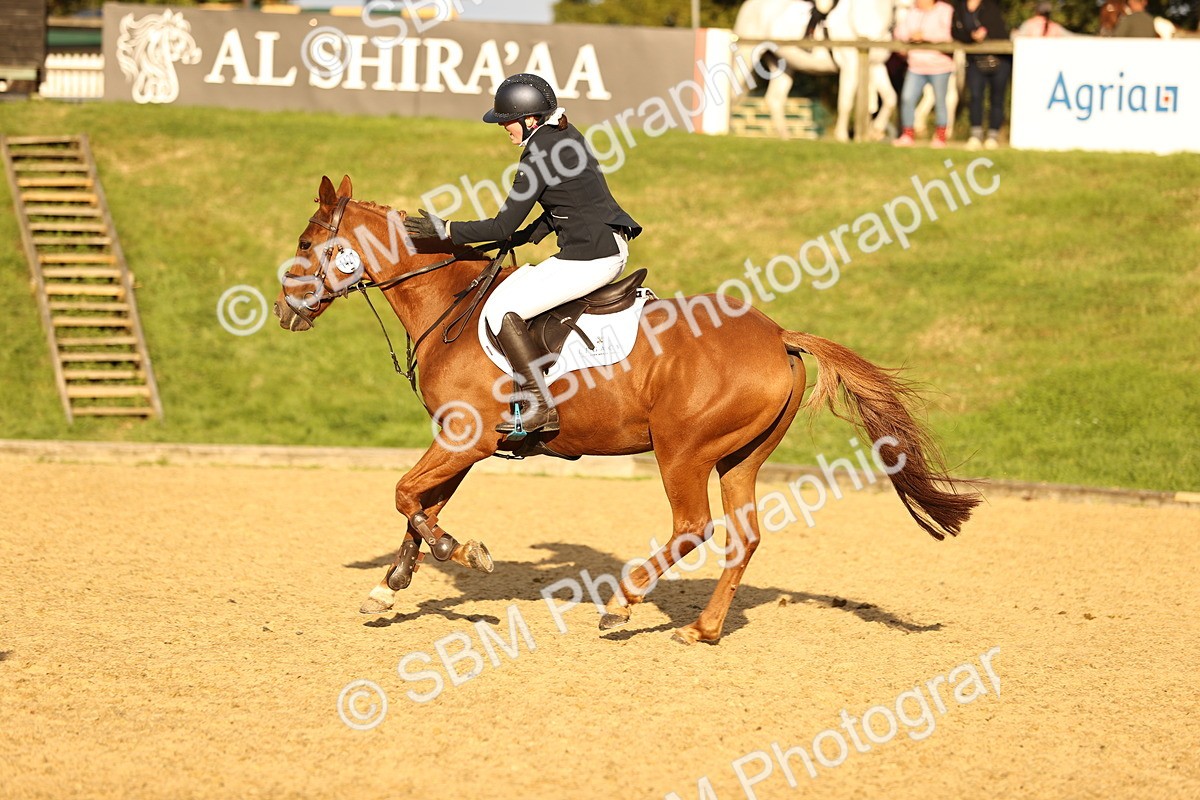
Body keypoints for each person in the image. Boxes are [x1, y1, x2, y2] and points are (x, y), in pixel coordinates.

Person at [404, 73, 641, 436]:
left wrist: (447, 230)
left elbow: (499, 226)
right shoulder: (564, 134)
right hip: (603, 246)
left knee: (500, 310)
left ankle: (539, 405)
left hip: (591, 257)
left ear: (530, 120)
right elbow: (573, 199)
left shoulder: (539, 154)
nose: (505, 129)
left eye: (507, 122)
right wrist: (524, 238)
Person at [893, 0, 956, 148]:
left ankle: (940, 137)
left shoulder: (945, 10)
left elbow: (949, 34)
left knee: (940, 102)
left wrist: (925, 36)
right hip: (916, 66)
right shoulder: (913, 11)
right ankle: (907, 135)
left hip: (940, 66)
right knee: (907, 98)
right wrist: (909, 35)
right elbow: (899, 32)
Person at [952, 0, 1010, 150]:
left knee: (997, 98)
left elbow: (1000, 31)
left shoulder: (991, 6)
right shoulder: (959, 8)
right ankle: (975, 136)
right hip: (975, 60)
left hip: (1000, 59)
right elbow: (955, 32)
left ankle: (992, 136)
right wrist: (971, 36)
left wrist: (986, 33)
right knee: (976, 97)